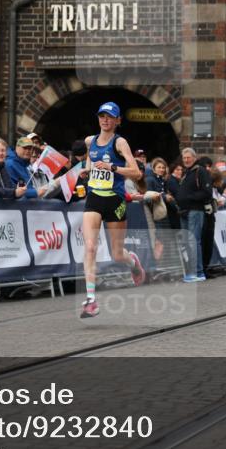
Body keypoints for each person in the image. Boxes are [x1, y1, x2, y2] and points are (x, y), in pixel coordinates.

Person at [77, 102, 145, 318]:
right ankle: (91, 300)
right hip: (94, 199)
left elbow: (136, 173)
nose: (105, 120)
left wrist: (113, 167)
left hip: (115, 201)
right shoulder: (90, 141)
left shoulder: (120, 142)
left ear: (118, 121)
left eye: (110, 117)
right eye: (102, 116)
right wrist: (86, 171)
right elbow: (90, 160)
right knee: (90, 247)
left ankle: (133, 261)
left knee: (117, 254)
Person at [176, 147, 212, 282]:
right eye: (184, 158)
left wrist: (189, 197)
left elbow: (207, 192)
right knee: (188, 242)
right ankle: (194, 272)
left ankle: (197, 272)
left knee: (193, 241)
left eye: (188, 157)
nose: (186, 160)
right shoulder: (187, 172)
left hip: (195, 211)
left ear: (194, 158)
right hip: (184, 212)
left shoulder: (200, 171)